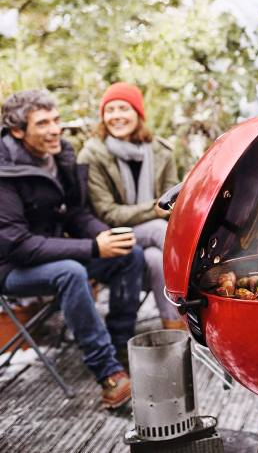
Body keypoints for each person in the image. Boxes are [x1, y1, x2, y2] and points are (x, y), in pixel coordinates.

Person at [0, 90, 146, 409]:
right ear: (17, 131)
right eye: (43, 123)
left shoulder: (60, 154)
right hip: (11, 266)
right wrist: (92, 247)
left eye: (56, 120)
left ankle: (119, 348)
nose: (55, 129)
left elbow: (75, 213)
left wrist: (106, 236)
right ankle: (109, 376)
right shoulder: (4, 172)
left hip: (53, 250)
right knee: (71, 272)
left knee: (129, 254)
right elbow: (18, 244)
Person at [77, 82, 183, 330]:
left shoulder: (161, 152)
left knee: (157, 260)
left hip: (152, 244)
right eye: (109, 110)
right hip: (112, 236)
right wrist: (153, 209)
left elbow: (172, 203)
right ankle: (196, 283)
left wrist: (165, 209)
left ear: (138, 113)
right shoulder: (92, 154)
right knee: (157, 227)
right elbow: (107, 213)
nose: (116, 116)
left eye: (123, 108)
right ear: (102, 116)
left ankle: (177, 337)